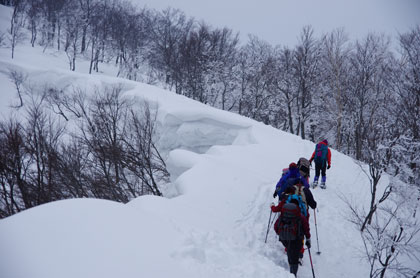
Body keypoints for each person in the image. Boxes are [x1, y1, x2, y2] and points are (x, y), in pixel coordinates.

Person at [271, 198, 311, 277]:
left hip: (284, 238)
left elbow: (276, 226)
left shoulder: (283, 215)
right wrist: (308, 239)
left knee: (290, 252)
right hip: (296, 240)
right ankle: (293, 274)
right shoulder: (300, 216)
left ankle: (291, 270)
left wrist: (282, 234)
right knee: (294, 258)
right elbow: (306, 228)